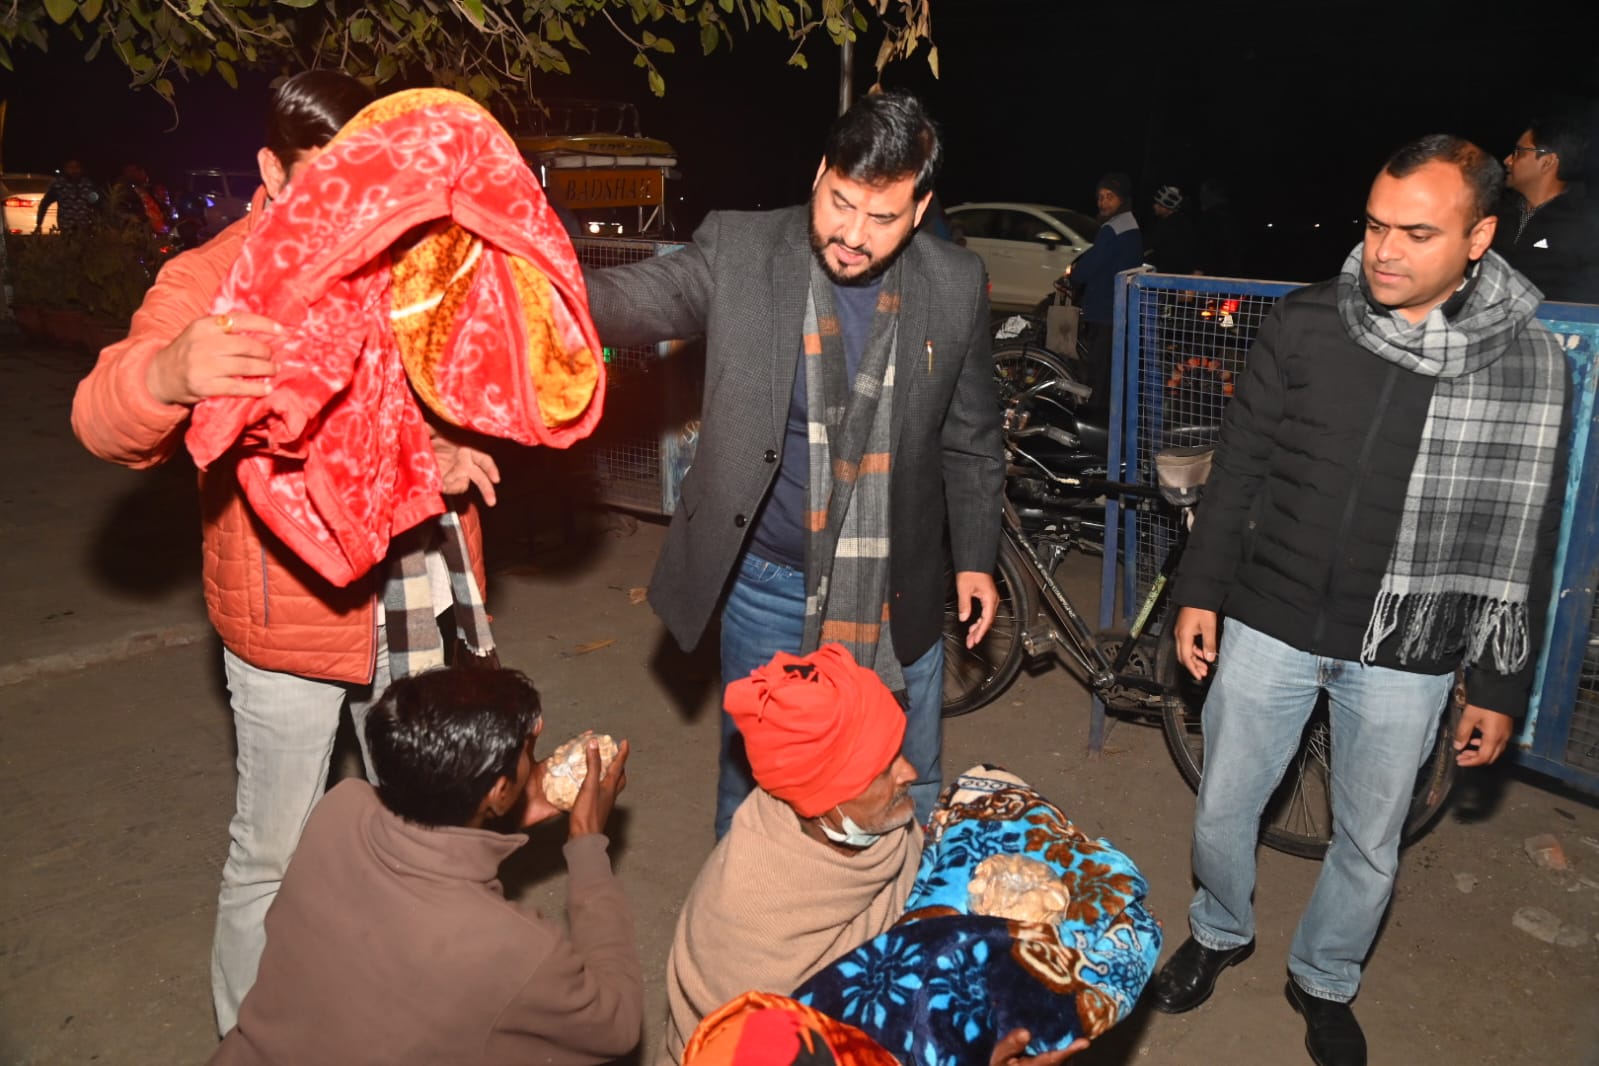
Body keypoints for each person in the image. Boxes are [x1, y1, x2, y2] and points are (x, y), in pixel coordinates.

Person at [70, 71, 504, 1035]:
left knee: (419, 837)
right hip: (289, 620)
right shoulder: (214, 279)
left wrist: (436, 448)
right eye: (325, 185)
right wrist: (168, 371)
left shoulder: (409, 266)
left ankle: (397, 1029)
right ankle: (252, 1043)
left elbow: (427, 404)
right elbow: (100, 415)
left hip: (413, 593)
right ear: (271, 170)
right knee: (272, 853)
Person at [1149, 134, 1570, 1066]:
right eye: (1375, 226)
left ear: (1478, 237)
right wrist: (1200, 592)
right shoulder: (1305, 323)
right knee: (1224, 804)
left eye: (1417, 233)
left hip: (1406, 653)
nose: (1383, 251)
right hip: (1269, 617)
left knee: (1371, 842)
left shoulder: (1525, 364)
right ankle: (1217, 930)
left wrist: (1499, 683)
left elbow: (1524, 534)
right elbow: (1239, 470)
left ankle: (1324, 977)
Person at [583, 90, 1004, 838]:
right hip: (767, 580)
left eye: (882, 218)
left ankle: (890, 911)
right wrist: (520, 284)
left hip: (896, 585)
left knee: (907, 782)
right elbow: (633, 298)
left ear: (920, 209)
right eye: (841, 203)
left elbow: (970, 437)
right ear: (819, 174)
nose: (853, 235)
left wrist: (975, 558)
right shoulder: (743, 249)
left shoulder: (955, 283)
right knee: (757, 792)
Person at [662, 645, 1083, 1066]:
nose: (910, 773)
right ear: (823, 802)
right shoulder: (753, 944)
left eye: (897, 751)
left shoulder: (869, 827)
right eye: (882, 770)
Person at [210, 667, 641, 1065]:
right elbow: (617, 1025)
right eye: (527, 749)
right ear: (498, 790)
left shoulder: (340, 808)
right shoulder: (513, 945)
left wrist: (504, 811)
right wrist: (587, 843)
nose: (533, 749)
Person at [1492, 114, 1599, 304]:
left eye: (1518, 152)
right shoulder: (1495, 210)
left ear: (1547, 162)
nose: (1508, 160)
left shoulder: (1586, 224)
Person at [1066, 172, 1142, 410]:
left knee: (1099, 368)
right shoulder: (1128, 224)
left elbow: (1092, 263)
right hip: (1118, 305)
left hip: (1106, 307)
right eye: (1100, 197)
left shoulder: (1113, 228)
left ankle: (1096, 417)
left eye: (1110, 197)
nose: (1103, 202)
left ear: (1122, 199)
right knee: (1110, 367)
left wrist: (1074, 275)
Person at [33, 158, 103, 235]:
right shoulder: (59, 185)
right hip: (66, 229)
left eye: (77, 167)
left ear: (81, 169)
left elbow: (97, 205)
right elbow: (44, 204)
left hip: (85, 229)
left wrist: (98, 224)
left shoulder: (88, 185)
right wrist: (39, 223)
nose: (74, 170)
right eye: (71, 167)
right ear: (65, 169)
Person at [1144, 184, 1200, 275]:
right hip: (1180, 275)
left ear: (1166, 207)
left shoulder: (1167, 226)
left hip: (1169, 276)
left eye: (1158, 204)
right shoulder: (1185, 222)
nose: (1154, 206)